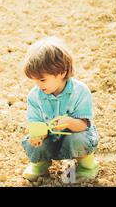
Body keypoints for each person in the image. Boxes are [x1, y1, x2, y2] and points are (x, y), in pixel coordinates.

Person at [21, 37, 99, 182]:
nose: (38, 85)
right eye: (35, 80)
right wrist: (38, 135)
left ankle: (87, 166)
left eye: (42, 80)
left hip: (75, 134)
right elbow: (35, 122)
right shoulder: (35, 96)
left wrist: (69, 122)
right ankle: (40, 165)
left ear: (62, 72)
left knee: (79, 139)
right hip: (51, 137)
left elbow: (83, 125)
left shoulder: (80, 91)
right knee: (34, 142)